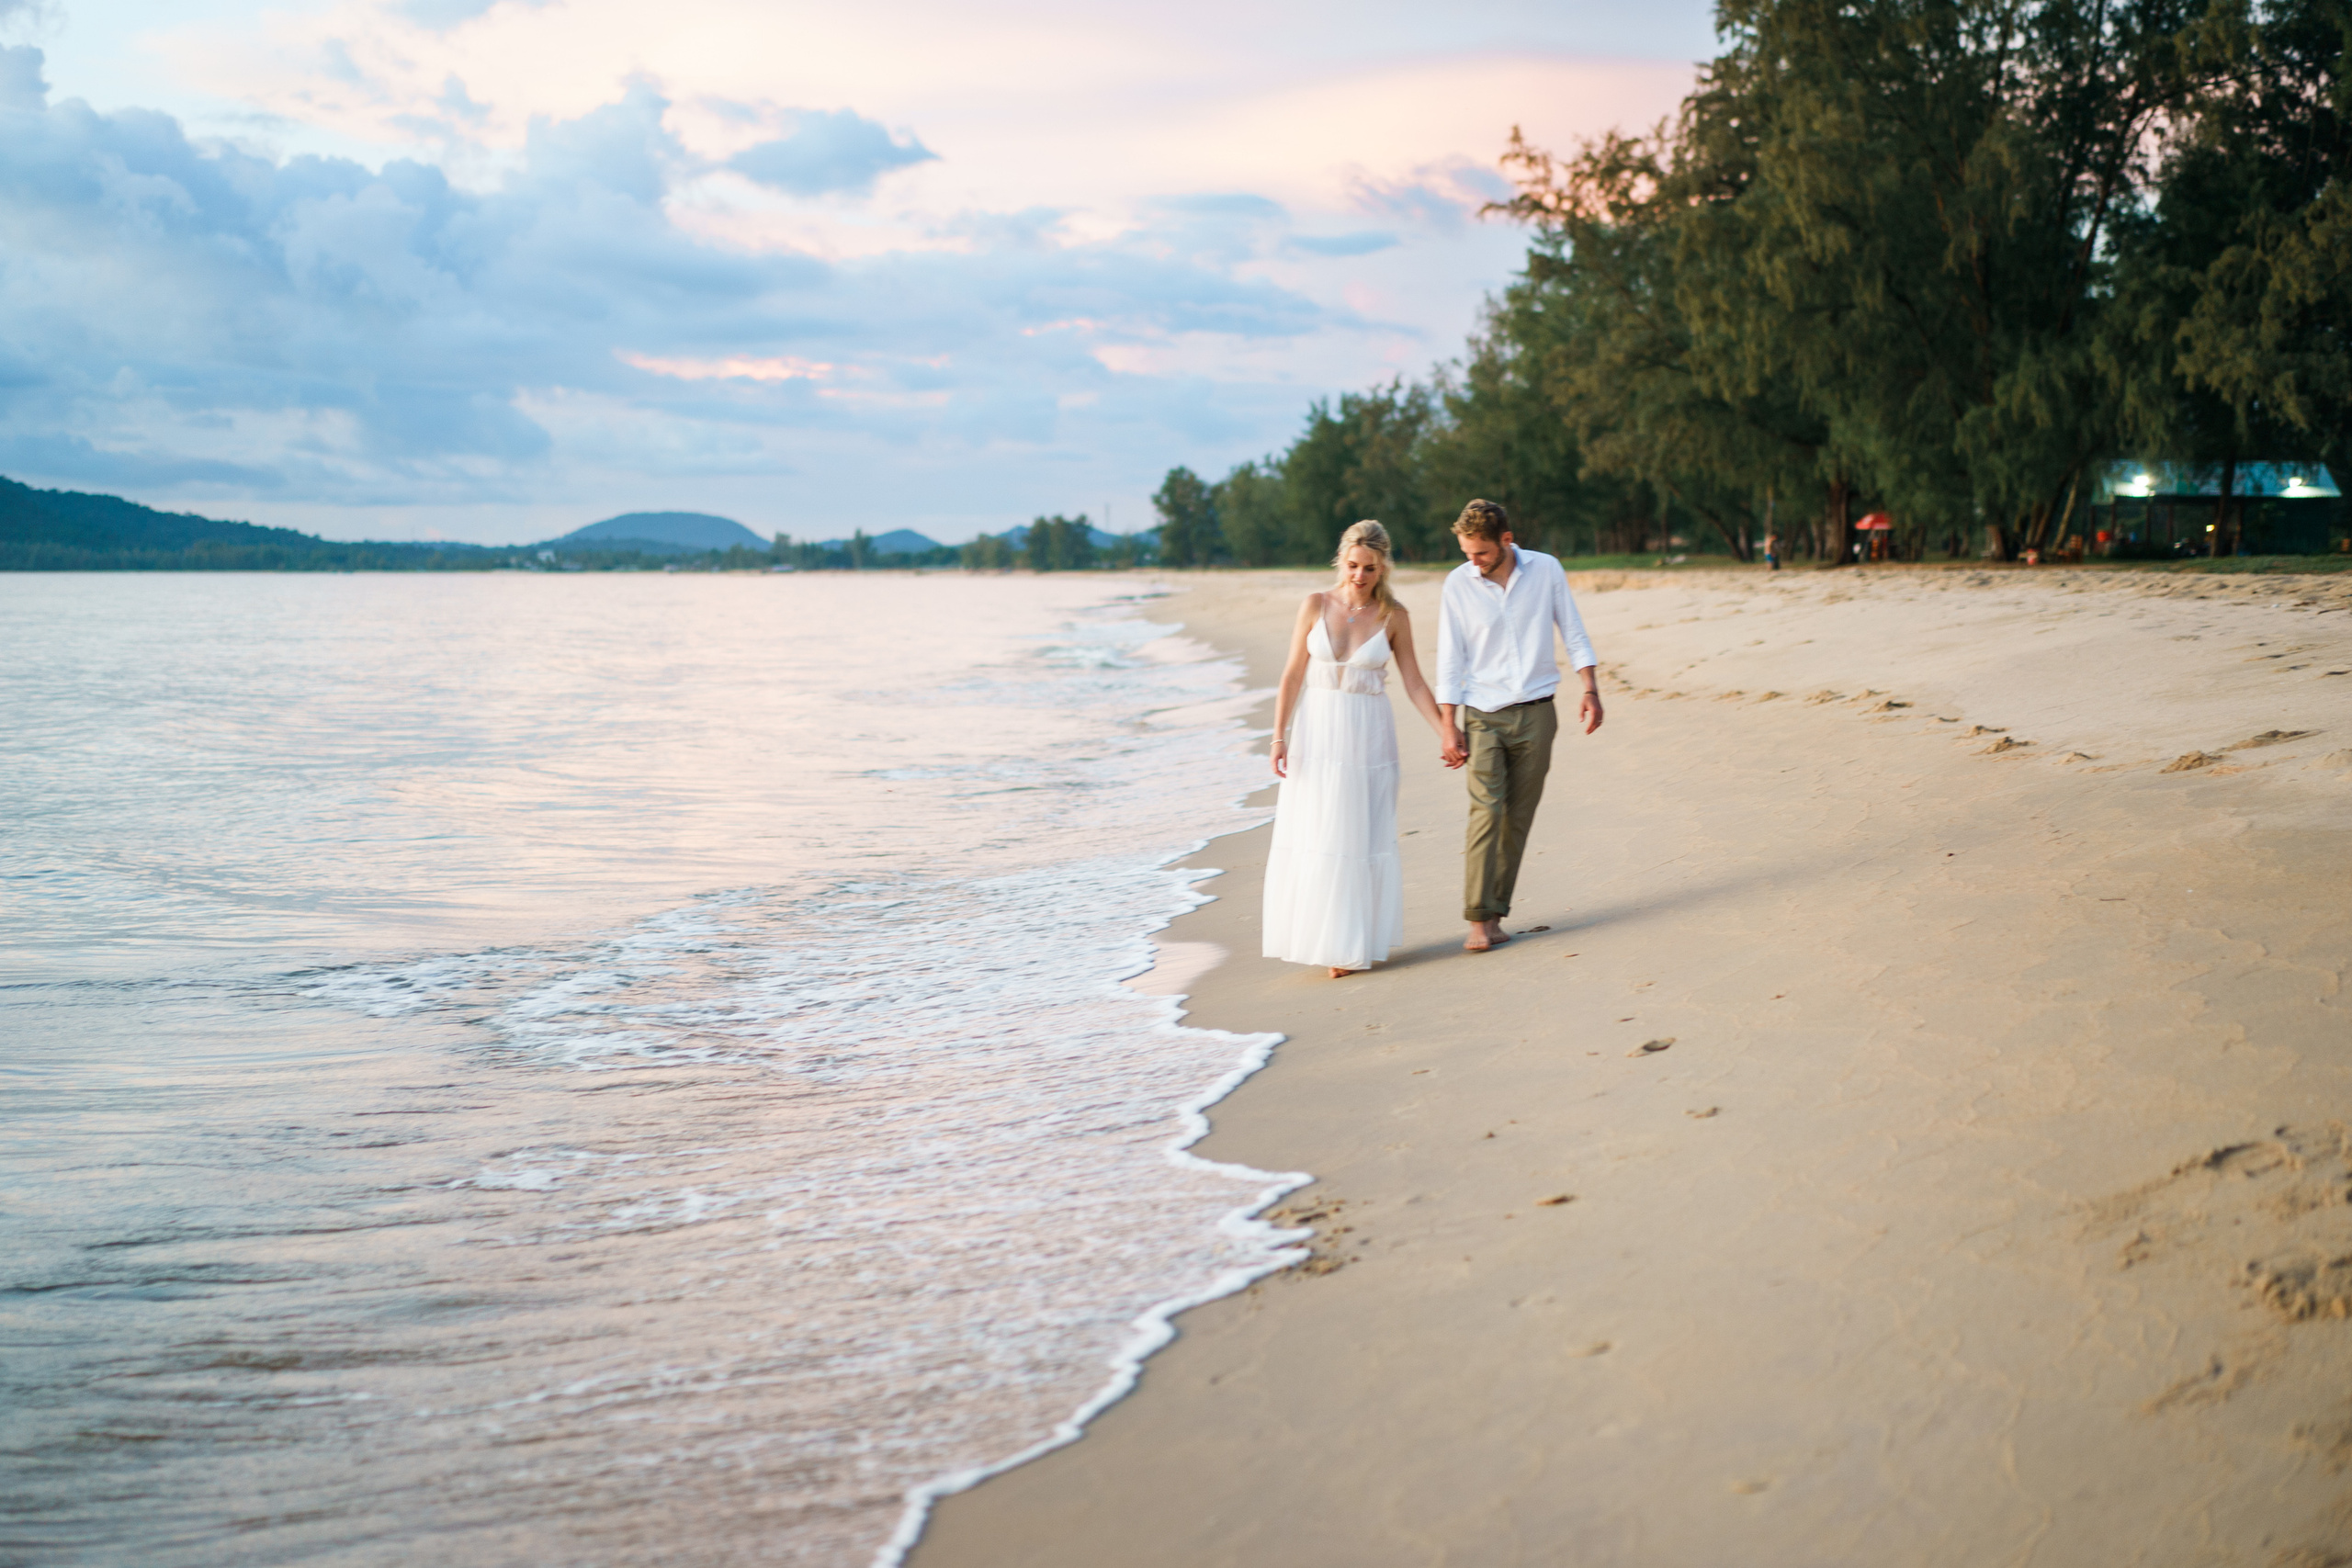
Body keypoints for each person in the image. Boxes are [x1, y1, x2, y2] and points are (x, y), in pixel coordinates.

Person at [1262, 521, 1455, 978]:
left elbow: (1413, 682)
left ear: (1383, 566)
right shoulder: (1314, 605)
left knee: (1360, 835)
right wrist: (1278, 735)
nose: (1359, 575)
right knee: (1321, 833)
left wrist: (1446, 730)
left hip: (1369, 734)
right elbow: (1292, 675)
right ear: (1340, 561)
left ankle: (1352, 942)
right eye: (1352, 566)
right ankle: (1329, 940)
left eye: (1369, 568)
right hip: (1318, 732)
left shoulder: (1394, 617)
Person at [1435, 500, 1602, 953]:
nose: (1473, 562)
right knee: (1486, 814)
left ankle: (1494, 915)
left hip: (1537, 714)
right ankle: (1476, 919)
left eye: (1481, 553)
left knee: (1517, 819)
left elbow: (1573, 628)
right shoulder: (1458, 584)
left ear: (1506, 541)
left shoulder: (1546, 570)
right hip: (1483, 716)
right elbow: (1450, 657)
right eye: (1467, 553)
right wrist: (1448, 725)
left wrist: (1590, 687)